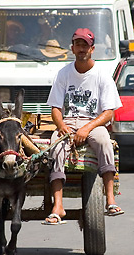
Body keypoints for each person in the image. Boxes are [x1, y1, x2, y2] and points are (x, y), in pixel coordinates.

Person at [44, 28, 124, 224]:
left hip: (93, 122)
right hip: (69, 122)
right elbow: (55, 108)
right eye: (78, 45)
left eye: (85, 45)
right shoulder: (63, 74)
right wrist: (61, 125)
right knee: (55, 146)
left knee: (105, 141)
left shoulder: (102, 75)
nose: (81, 49)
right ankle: (58, 206)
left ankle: (110, 200)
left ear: (92, 49)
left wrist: (86, 128)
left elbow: (109, 113)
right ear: (72, 48)